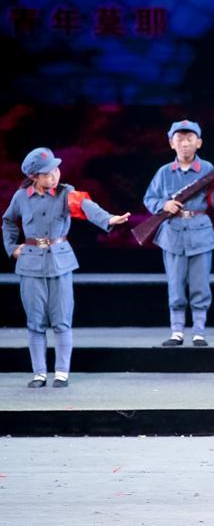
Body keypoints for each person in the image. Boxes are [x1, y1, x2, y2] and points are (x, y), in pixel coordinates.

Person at [2, 147, 130, 387]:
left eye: (56, 170)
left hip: (60, 262)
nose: (54, 176)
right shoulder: (21, 197)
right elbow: (8, 220)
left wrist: (109, 219)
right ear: (34, 177)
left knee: (61, 320)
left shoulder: (66, 193)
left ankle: (61, 372)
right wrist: (11, 247)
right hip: (31, 263)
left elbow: (87, 207)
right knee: (35, 322)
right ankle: (39, 373)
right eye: (47, 173)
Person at [143, 120, 214, 347]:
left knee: (200, 284)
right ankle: (177, 332)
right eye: (180, 139)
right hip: (172, 233)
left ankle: (199, 331)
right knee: (175, 284)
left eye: (190, 139)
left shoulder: (207, 169)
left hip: (200, 232)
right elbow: (149, 198)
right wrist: (164, 205)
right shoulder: (164, 172)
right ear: (171, 143)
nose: (185, 144)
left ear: (199, 143)